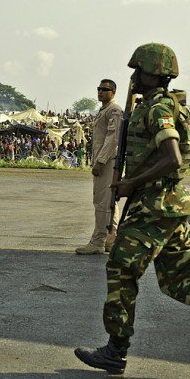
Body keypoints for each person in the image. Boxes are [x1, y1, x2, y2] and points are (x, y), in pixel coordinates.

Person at [74, 43, 190, 375]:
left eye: (139, 71)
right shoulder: (170, 106)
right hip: (169, 206)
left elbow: (174, 156)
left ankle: (116, 350)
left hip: (154, 205)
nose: (133, 76)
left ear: (153, 74)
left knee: (121, 266)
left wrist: (134, 183)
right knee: (182, 279)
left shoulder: (158, 108)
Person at [76, 79, 123, 255]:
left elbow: (113, 138)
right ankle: (111, 238)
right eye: (99, 89)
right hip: (105, 160)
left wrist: (100, 161)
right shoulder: (104, 110)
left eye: (105, 89)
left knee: (103, 202)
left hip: (108, 162)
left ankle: (98, 241)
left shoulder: (114, 110)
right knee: (109, 203)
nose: (101, 92)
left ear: (113, 92)